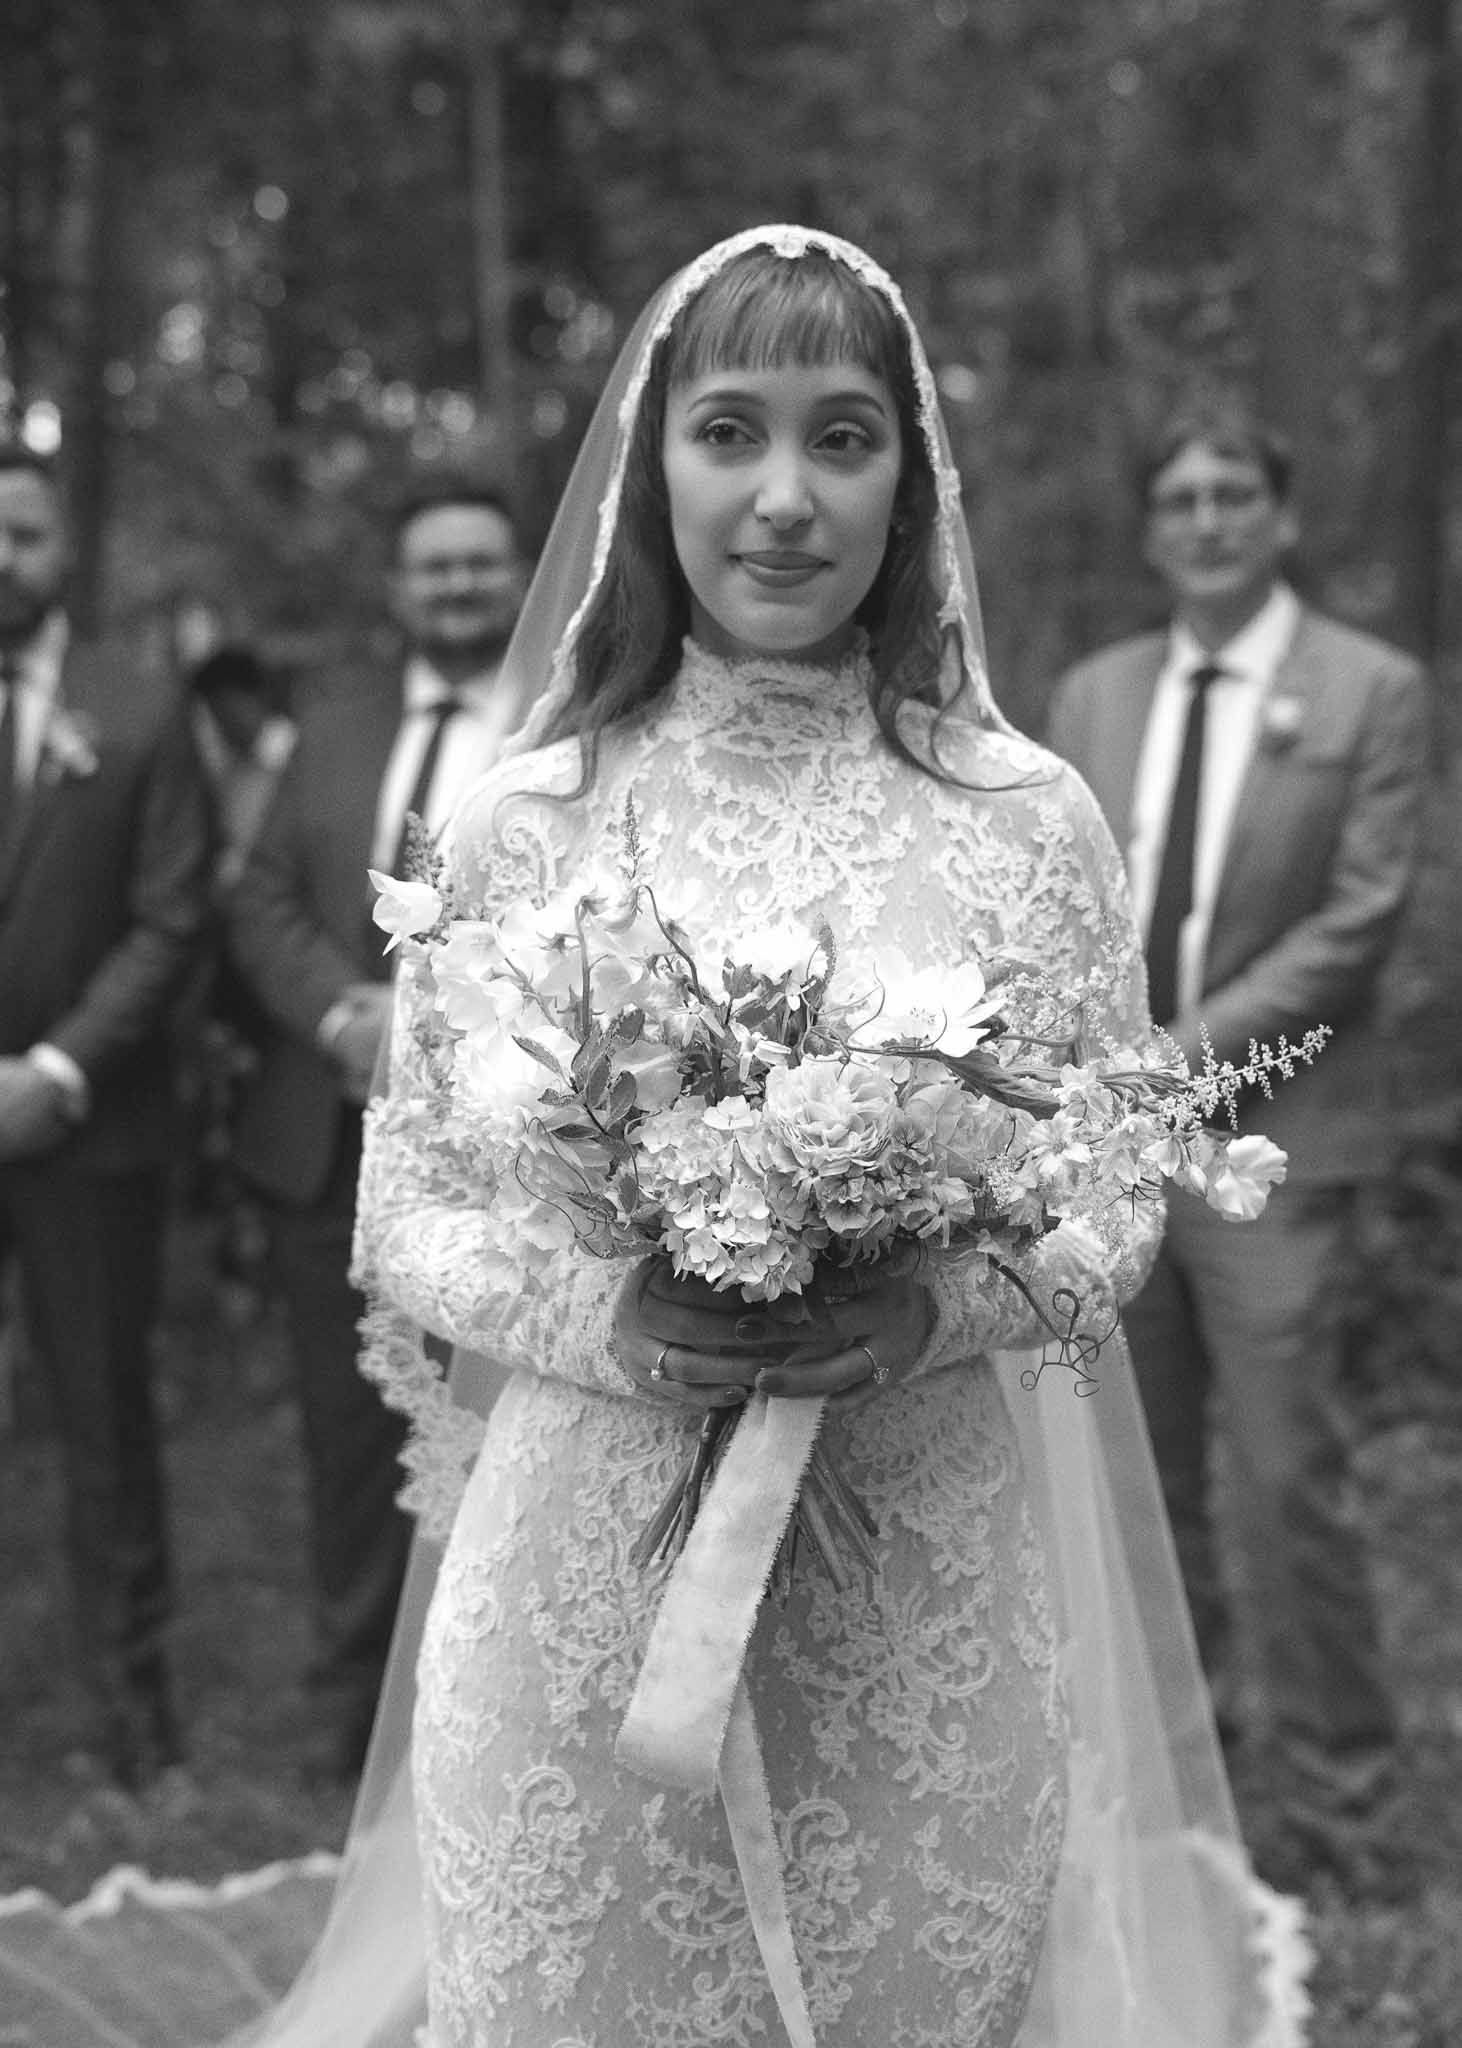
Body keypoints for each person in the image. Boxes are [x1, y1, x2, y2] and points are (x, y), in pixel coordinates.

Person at [233, 230, 1311, 2048]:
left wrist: (924, 1315)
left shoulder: (1024, 821)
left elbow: (1116, 1194)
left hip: (920, 1583)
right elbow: (406, 1208)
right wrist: (617, 1325)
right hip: (576, 1583)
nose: (786, 499)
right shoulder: (521, 817)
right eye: (730, 433)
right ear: (655, 471)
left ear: (914, 476)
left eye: (844, 437)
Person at [1046, 392, 1427, 1871]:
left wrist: (1173, 1068)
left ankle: (1344, 1808)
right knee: (1132, 1486)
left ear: (1279, 516)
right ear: (1150, 532)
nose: (1203, 519)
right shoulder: (1090, 695)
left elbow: (1356, 923)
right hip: (1102, 1154)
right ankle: (1162, 1803)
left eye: (1230, 495)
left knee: (1285, 1482)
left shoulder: (1367, 688)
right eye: (1178, 500)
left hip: (1277, 1149)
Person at [226, 476, 530, 1779]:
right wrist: (344, 1024)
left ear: (518, 576)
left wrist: (429, 1023)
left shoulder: (568, 728)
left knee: (508, 1432)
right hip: (328, 1142)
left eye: (478, 565)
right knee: (349, 1434)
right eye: (433, 567)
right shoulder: (333, 730)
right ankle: (361, 1713)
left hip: (512, 1163)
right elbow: (260, 899)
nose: (456, 587)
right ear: (398, 589)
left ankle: (502, 1709)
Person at [0, 445, 212, 1789]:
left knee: (103, 1422)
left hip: (89, 1133)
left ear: (59, 549)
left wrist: (56, 1072)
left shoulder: (137, 708)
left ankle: (129, 1717)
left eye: (17, 536)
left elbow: (172, 911)